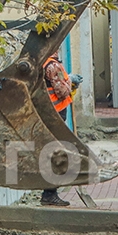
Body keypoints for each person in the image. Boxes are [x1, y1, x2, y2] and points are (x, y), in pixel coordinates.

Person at [39, 57, 81, 207]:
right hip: (55, 114)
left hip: (51, 113)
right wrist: (70, 80)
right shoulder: (52, 65)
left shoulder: (43, 62)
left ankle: (50, 193)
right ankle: (49, 194)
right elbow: (62, 91)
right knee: (56, 153)